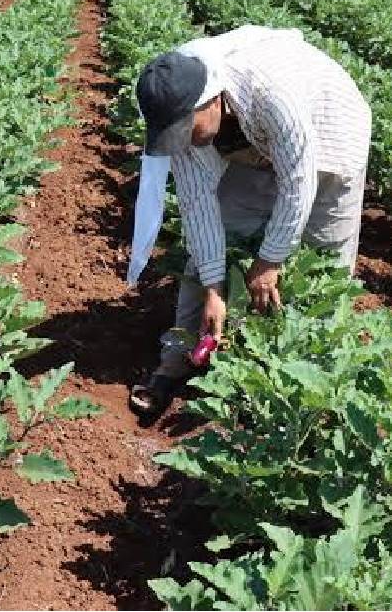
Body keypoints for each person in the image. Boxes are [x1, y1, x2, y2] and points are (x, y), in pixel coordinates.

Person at [127, 25, 372, 417]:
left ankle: (317, 391)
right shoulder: (182, 119)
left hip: (330, 138)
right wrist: (213, 288)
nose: (182, 141)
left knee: (324, 265)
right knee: (220, 236)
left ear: (210, 100)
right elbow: (197, 206)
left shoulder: (271, 94)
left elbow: (299, 181)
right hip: (251, 144)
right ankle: (177, 358)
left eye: (186, 130)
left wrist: (270, 260)